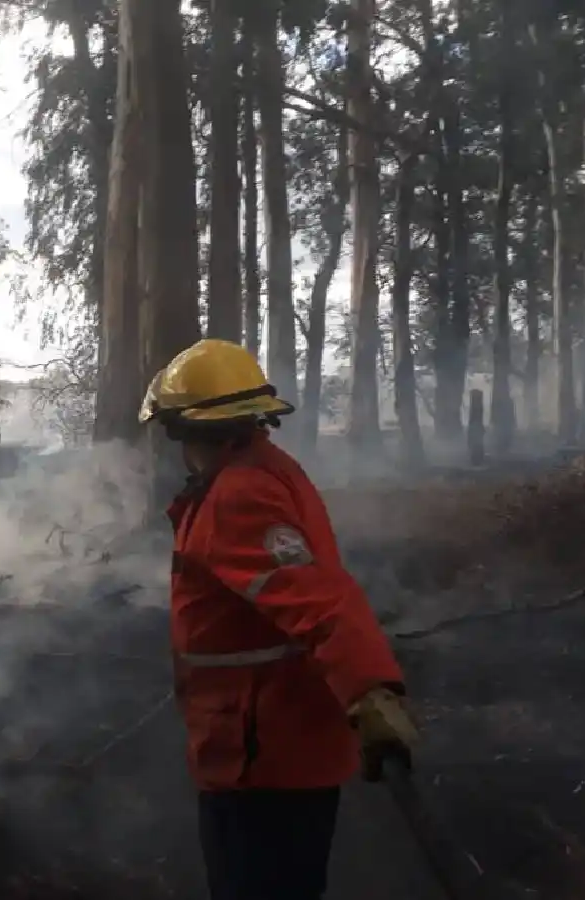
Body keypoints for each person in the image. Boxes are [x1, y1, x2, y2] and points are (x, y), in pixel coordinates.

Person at [139, 338, 419, 900]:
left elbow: (316, 596)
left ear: (187, 429)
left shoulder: (238, 497)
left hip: (261, 755)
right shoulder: (265, 470)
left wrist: (370, 692)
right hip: (268, 741)